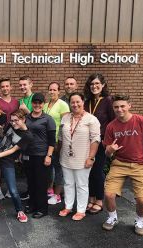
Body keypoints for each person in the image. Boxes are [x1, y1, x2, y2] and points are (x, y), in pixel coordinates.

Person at [102, 95, 143, 236]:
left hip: (140, 165)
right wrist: (110, 150)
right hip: (119, 164)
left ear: (129, 105)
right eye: (116, 107)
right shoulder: (111, 126)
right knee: (108, 194)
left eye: (122, 106)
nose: (119, 109)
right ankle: (112, 217)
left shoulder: (142, 121)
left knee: (142, 200)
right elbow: (107, 153)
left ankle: (140, 221)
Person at [0, 109, 31, 223]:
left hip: (7, 161)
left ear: (23, 119)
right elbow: (4, 136)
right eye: (12, 121)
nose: (13, 123)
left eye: (16, 121)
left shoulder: (27, 136)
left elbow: (12, 150)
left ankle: (20, 211)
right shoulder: (11, 125)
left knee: (13, 190)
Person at [58, 92, 100, 221]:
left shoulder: (91, 119)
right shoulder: (65, 118)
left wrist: (91, 157)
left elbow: (95, 139)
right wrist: (58, 152)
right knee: (68, 183)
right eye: (72, 102)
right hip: (66, 157)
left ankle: (81, 210)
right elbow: (60, 137)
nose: (75, 104)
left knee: (81, 185)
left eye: (78, 102)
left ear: (83, 102)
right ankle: (68, 206)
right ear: (69, 104)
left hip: (83, 158)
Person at [84, 74, 115, 214]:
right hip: (87, 142)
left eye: (97, 84)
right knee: (88, 170)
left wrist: (108, 141)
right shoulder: (87, 102)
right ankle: (91, 197)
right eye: (91, 84)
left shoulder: (108, 101)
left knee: (97, 171)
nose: (94, 86)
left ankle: (99, 199)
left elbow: (113, 122)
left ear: (103, 85)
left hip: (101, 142)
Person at [25, 93, 56, 218]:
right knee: (31, 182)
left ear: (43, 104)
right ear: (32, 103)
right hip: (28, 155)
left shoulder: (48, 119)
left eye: (40, 103)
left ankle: (42, 209)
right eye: (35, 102)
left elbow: (52, 140)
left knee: (41, 183)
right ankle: (32, 205)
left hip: (42, 155)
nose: (37, 105)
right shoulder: (27, 117)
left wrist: (49, 156)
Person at [44, 82, 70, 205]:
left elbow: (65, 125)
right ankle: (49, 189)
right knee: (48, 167)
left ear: (59, 91)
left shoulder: (63, 105)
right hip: (46, 141)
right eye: (50, 90)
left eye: (55, 90)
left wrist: (60, 142)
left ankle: (58, 194)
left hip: (58, 141)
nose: (52, 92)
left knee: (58, 168)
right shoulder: (45, 105)